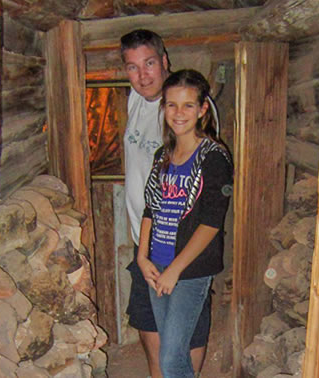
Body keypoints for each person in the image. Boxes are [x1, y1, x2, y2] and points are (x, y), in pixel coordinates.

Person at [121, 30, 211, 378]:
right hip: (143, 239)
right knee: (148, 320)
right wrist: (142, 249)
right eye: (132, 67)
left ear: (165, 61)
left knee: (184, 329)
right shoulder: (135, 98)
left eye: (149, 64)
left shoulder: (180, 110)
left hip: (180, 244)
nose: (143, 76)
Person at [137, 69, 233, 378]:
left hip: (189, 271)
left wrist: (176, 270)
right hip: (156, 265)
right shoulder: (162, 156)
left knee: (172, 358)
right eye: (172, 105)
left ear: (203, 109)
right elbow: (150, 207)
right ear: (163, 107)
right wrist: (142, 257)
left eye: (188, 105)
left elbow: (211, 222)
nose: (179, 113)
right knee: (170, 350)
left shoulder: (213, 157)